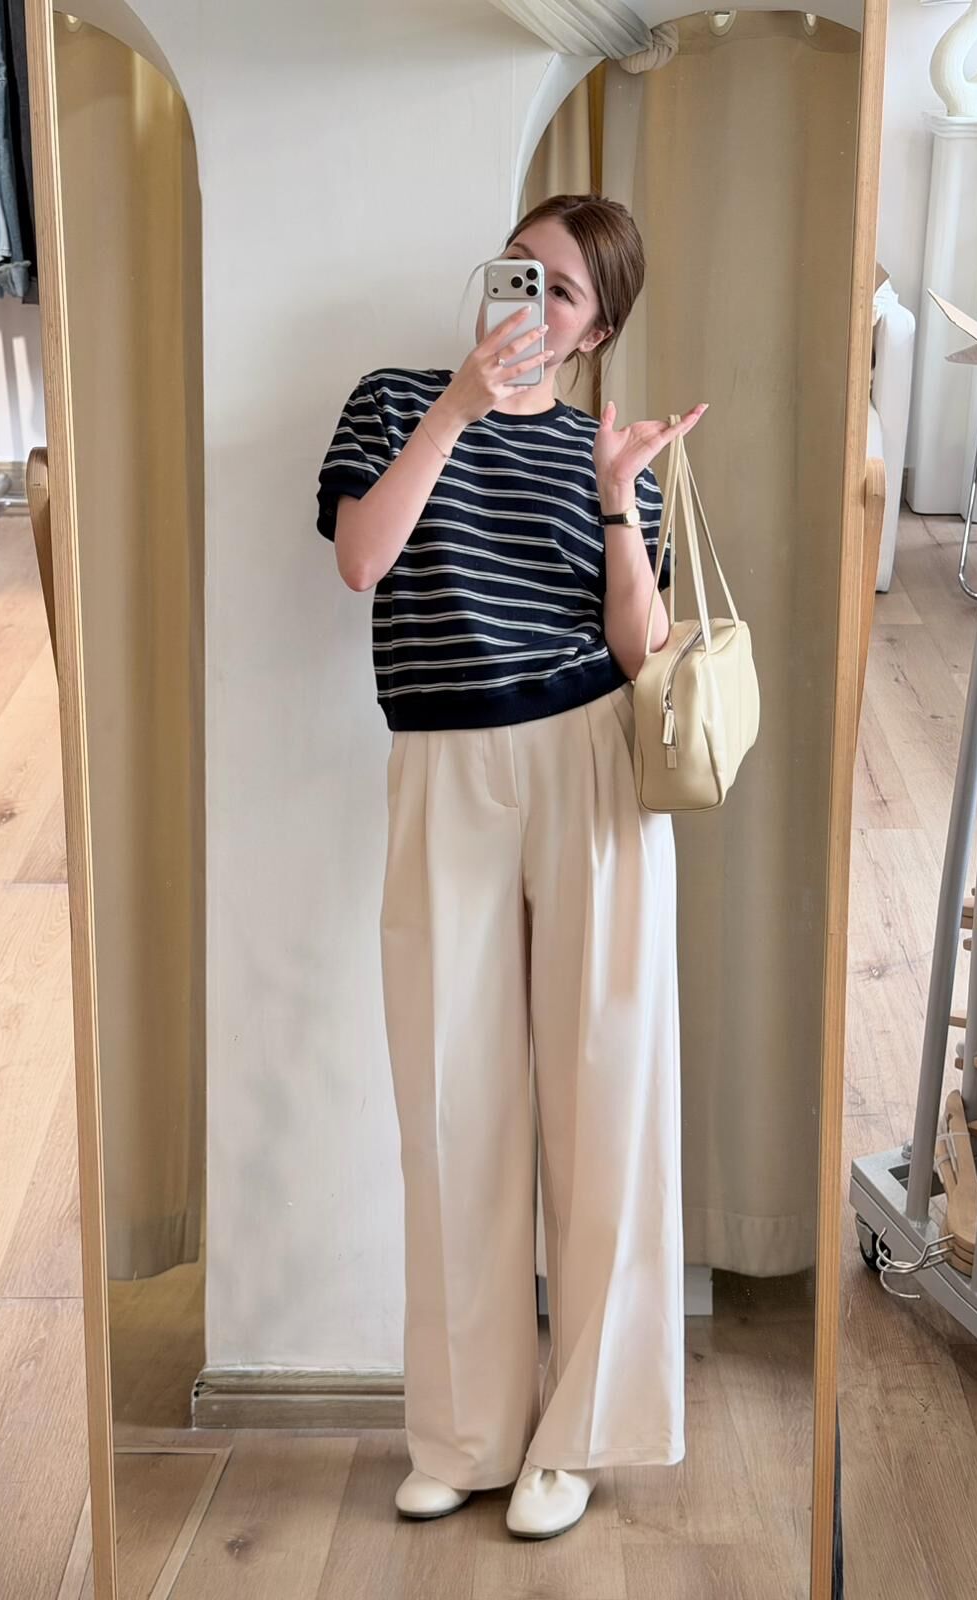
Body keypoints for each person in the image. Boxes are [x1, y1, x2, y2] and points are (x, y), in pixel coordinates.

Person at [315, 193, 707, 1541]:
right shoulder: (392, 402)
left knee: (604, 1096)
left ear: (595, 333)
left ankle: (578, 1436)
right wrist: (457, 409)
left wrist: (618, 501)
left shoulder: (608, 448)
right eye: (518, 267)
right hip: (444, 764)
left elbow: (644, 650)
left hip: (590, 765)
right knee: (451, 1101)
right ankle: (467, 1433)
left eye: (562, 291)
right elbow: (362, 560)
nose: (528, 299)